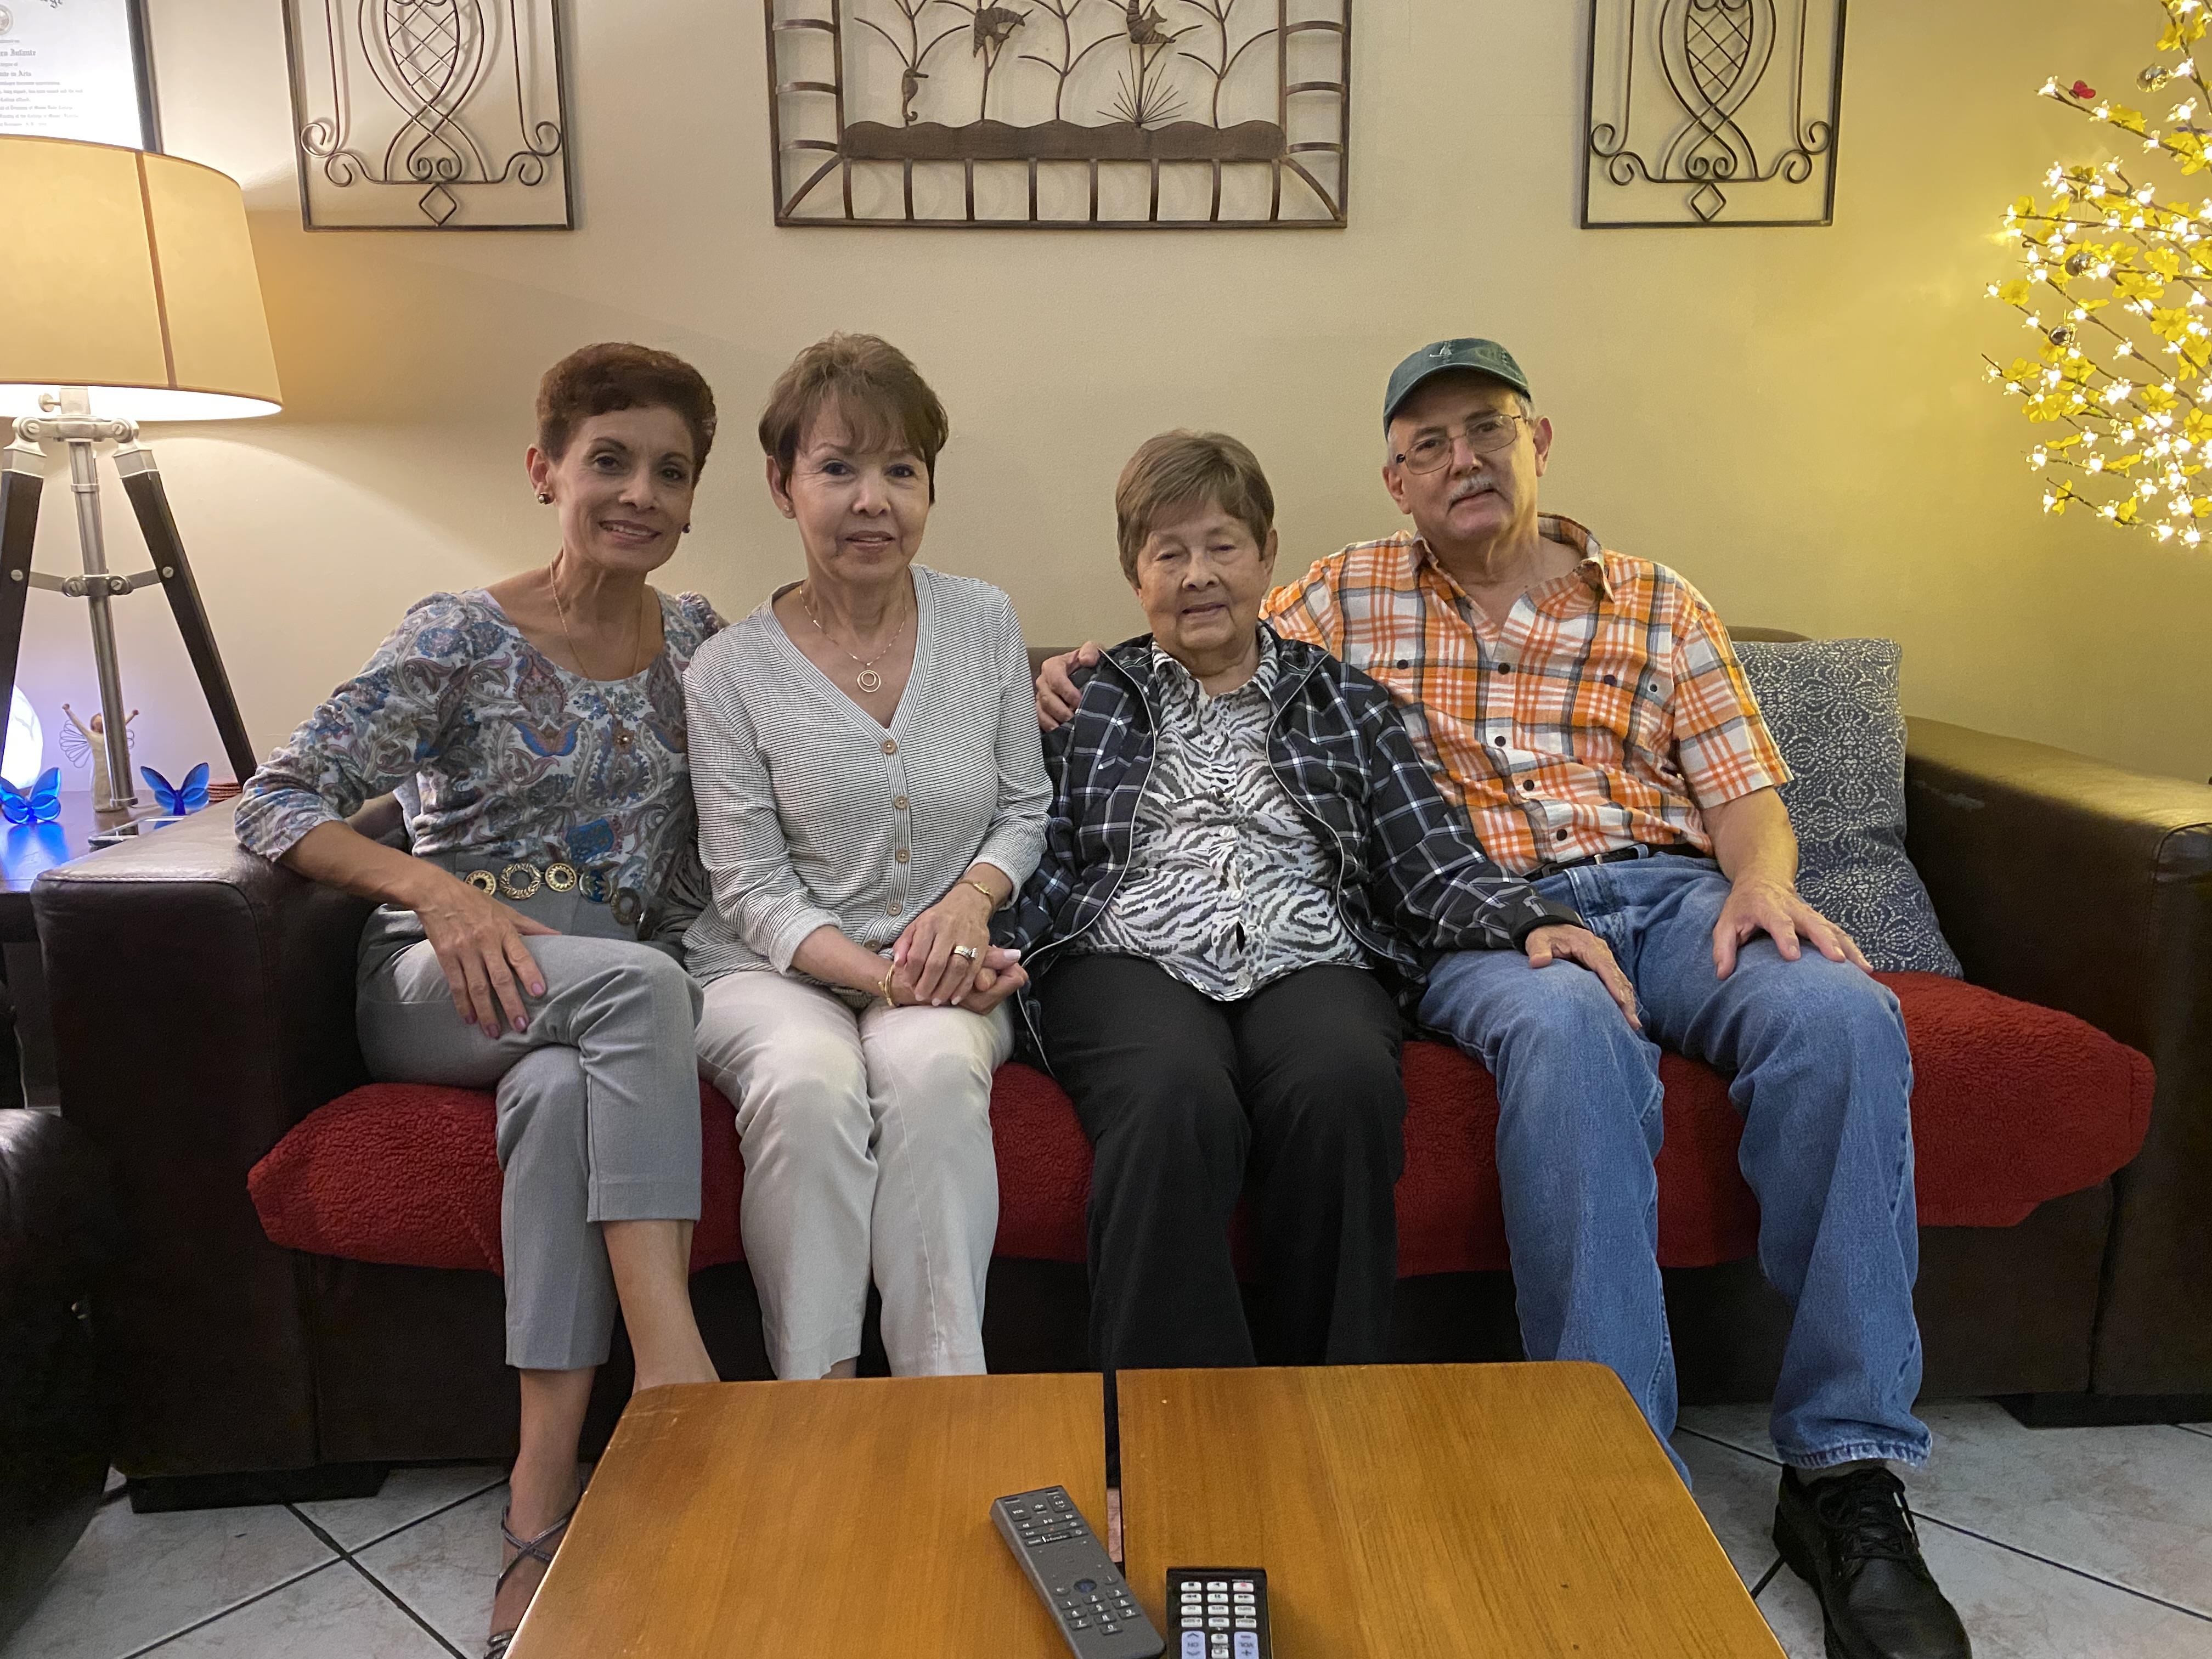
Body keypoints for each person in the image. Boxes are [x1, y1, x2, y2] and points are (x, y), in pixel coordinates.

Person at [1036, 343, 1969, 1659]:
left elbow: (1745, 787)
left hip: (1674, 889)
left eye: (1485, 430)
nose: (1460, 460)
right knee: (1566, 1032)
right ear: (1395, 481)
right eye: (1428, 445)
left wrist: (1763, 886)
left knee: (1844, 1021)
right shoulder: (1345, 596)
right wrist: (1082, 674)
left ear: (1542, 441)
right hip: (1493, 912)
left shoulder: (1657, 600)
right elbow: (1205, 634)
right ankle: (1611, 1465)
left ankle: (1849, 1476)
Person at [236, 343, 726, 1658]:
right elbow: (274, 800)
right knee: (636, 988)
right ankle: (679, 1381)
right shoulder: (457, 634)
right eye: (609, 460)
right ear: (544, 470)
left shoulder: (697, 641)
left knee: (573, 1078)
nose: (639, 492)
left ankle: (536, 1499)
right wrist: (438, 893)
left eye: (671, 472)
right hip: (443, 973)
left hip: (584, 1006)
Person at [1001, 430, 1633, 1372]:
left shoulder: (1344, 700)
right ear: (1136, 577)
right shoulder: (1090, 701)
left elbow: (1426, 855)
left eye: (1221, 545)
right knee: (1173, 1096)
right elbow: (1032, 845)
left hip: (1311, 951)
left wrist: (1536, 918)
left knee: (1340, 1083)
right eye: (1167, 553)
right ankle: (1182, 1446)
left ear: (1265, 556)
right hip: (1125, 954)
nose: (1197, 575)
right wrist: (988, 944)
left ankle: (1331, 1427)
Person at [686, 334, 1048, 1382]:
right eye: (837, 468)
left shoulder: (982, 620)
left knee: (932, 1069)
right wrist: (887, 975)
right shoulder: (730, 671)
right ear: (781, 484)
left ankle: (944, 1402)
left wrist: (973, 905)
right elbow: (747, 888)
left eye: (901, 471)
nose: (871, 501)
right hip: (769, 970)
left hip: (945, 962)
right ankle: (818, 1409)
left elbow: (1024, 808)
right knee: (807, 1082)